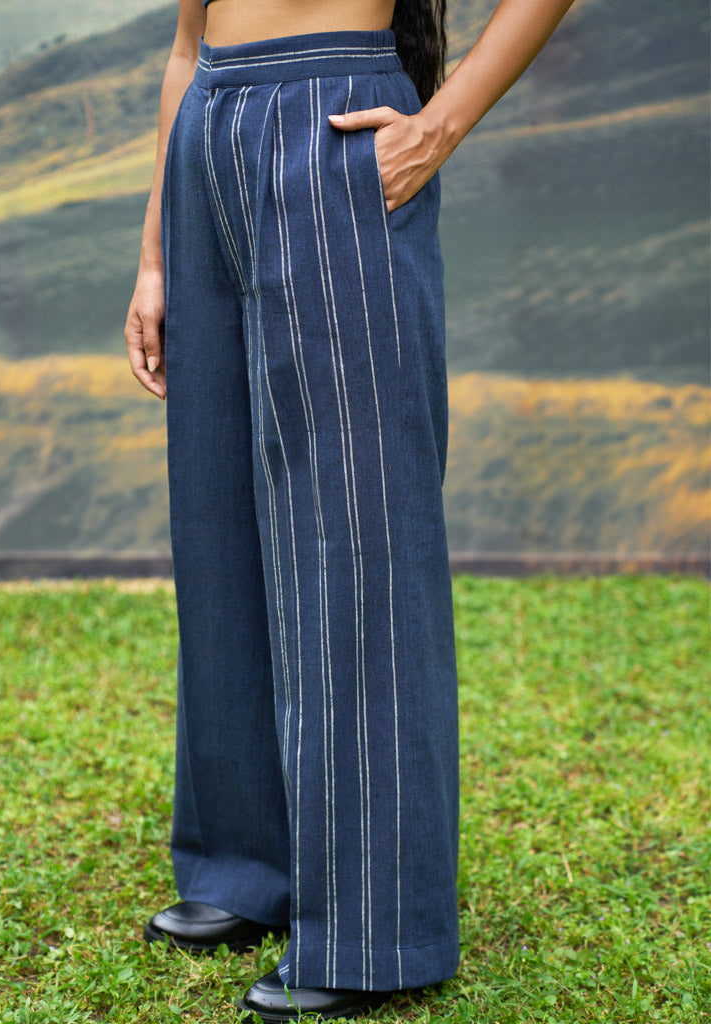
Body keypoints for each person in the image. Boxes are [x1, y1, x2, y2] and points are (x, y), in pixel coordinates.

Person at [124, 0, 575, 1019]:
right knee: (221, 525)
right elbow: (187, 44)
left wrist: (440, 125)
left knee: (356, 537)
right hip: (209, 127)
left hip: (332, 123)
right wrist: (155, 254)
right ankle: (248, 868)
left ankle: (375, 932)